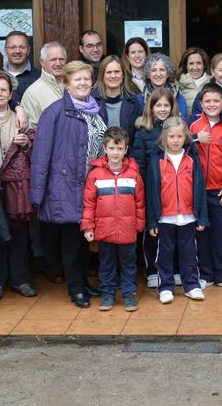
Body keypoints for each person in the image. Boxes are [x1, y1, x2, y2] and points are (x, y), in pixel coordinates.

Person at [29, 61, 107, 308]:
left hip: (90, 185)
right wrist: (37, 194)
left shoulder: (97, 109)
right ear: (66, 83)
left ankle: (83, 283)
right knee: (72, 241)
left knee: (86, 239)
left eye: (86, 79)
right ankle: (76, 290)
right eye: (77, 80)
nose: (83, 83)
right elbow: (41, 154)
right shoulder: (55, 112)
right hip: (64, 186)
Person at [0, 72, 37, 300]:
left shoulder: (20, 118)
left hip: (15, 184)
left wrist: (25, 144)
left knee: (18, 231)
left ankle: (20, 279)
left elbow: (33, 148)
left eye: (4, 90)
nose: (0, 94)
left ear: (11, 94)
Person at [146, 117, 209, 304]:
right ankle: (165, 287)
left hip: (188, 217)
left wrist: (202, 217)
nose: (175, 140)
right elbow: (151, 192)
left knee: (189, 253)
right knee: (164, 254)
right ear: (164, 137)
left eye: (180, 136)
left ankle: (192, 285)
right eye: (171, 136)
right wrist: (152, 221)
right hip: (165, 218)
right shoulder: (156, 160)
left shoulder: (192, 158)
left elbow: (199, 189)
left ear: (186, 137)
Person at [82, 126, 145, 312]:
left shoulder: (134, 175)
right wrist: (88, 227)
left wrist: (139, 225)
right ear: (105, 149)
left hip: (127, 230)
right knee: (106, 265)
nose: (115, 153)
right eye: (111, 148)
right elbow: (88, 204)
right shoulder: (95, 175)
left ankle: (129, 295)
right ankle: (108, 295)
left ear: (126, 149)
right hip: (104, 231)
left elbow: (140, 203)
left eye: (119, 149)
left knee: (128, 264)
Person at [190, 84, 222, 291]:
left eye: (216, 101)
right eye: (207, 101)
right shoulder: (192, 125)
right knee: (202, 233)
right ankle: (205, 274)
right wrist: (196, 139)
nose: (212, 104)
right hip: (198, 191)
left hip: (220, 190)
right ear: (200, 103)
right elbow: (177, 146)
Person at [131, 89, 174, 287]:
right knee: (153, 231)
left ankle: (174, 269)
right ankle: (153, 271)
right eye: (159, 105)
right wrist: (143, 190)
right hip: (151, 191)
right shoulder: (143, 132)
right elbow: (139, 165)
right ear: (151, 107)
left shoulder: (178, 130)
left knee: (174, 230)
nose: (163, 109)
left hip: (174, 191)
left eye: (166, 105)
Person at [21, 42, 69, 129]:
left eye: (61, 59)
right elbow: (31, 131)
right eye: (53, 59)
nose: (58, 63)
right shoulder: (32, 93)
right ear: (42, 62)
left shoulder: (75, 86)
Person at [93, 55, 141, 139]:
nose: (113, 76)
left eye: (117, 71)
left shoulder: (134, 101)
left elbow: (138, 135)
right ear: (102, 76)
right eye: (109, 72)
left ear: (123, 74)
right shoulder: (92, 101)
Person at [140, 52, 188, 119]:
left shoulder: (178, 98)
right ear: (148, 75)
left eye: (162, 70)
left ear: (168, 74)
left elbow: (183, 123)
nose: (158, 74)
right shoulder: (140, 99)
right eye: (154, 70)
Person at [3, 31, 39, 100]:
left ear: (28, 50)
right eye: (12, 47)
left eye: (22, 47)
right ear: (5, 51)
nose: (17, 51)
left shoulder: (39, 77)